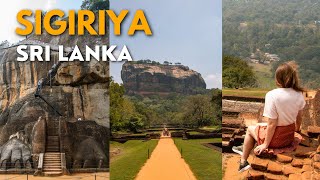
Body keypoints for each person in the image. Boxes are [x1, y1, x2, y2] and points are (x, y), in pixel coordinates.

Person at [232, 61, 306, 172]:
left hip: (276, 140)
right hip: (288, 137)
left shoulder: (272, 95)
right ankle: (244, 147)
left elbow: (272, 123)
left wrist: (265, 145)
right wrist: (297, 130)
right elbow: (299, 118)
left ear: (278, 79)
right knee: (258, 125)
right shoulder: (299, 94)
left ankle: (243, 161)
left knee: (250, 130)